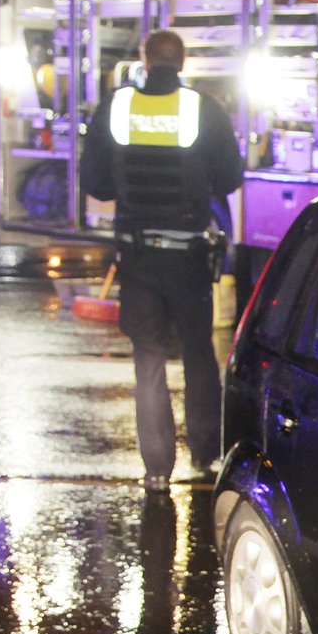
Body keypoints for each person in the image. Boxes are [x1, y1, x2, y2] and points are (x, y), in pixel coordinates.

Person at [82, 30, 242, 491]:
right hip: (189, 257)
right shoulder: (203, 109)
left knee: (147, 360)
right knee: (197, 355)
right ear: (183, 61)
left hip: (138, 256)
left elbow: (97, 182)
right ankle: (208, 457)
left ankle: (156, 469)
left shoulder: (116, 107)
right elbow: (230, 177)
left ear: (143, 60)